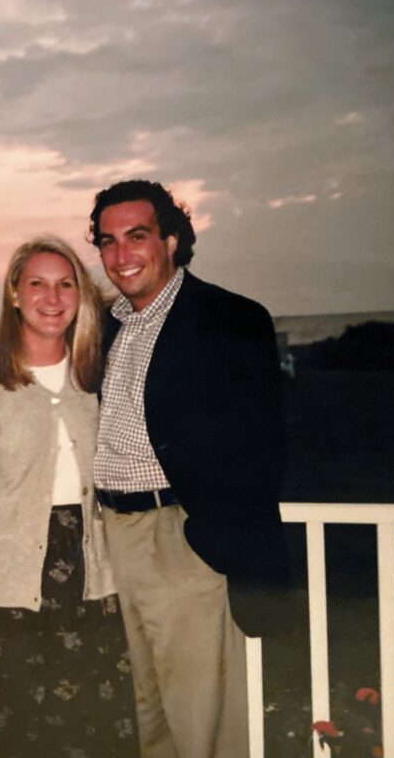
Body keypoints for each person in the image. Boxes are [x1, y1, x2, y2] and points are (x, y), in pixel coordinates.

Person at [89, 179, 290, 758]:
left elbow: (263, 444)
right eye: (107, 241)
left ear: (172, 240)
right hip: (112, 537)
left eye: (137, 236)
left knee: (200, 714)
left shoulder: (229, 319)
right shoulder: (106, 325)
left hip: (181, 535)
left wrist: (208, 535)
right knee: (142, 708)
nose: (121, 255)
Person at [0, 237, 137, 757]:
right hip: (10, 592)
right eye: (38, 284)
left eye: (66, 284)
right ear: (15, 294)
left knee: (99, 726)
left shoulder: (96, 377)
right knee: (24, 734)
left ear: (81, 296)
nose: (53, 297)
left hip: (94, 582)